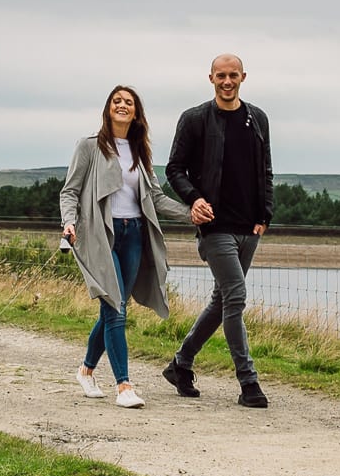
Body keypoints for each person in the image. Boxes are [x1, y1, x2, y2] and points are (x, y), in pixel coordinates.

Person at [60, 85, 191, 408]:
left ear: (136, 112)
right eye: (116, 101)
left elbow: (156, 199)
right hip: (101, 236)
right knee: (115, 307)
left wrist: (193, 214)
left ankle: (86, 370)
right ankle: (124, 386)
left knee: (114, 308)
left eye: (128, 102)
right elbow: (70, 191)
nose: (122, 105)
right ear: (108, 109)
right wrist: (69, 221)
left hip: (134, 234)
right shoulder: (90, 146)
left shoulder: (140, 150)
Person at [164, 54, 273, 407]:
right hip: (215, 227)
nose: (227, 81)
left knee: (222, 299)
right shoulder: (195, 119)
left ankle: (181, 363)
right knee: (236, 297)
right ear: (210, 78)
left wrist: (265, 213)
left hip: (249, 226)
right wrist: (194, 200)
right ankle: (249, 383)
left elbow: (266, 169)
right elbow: (174, 169)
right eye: (221, 76)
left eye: (233, 75)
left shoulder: (258, 119)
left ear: (243, 77)